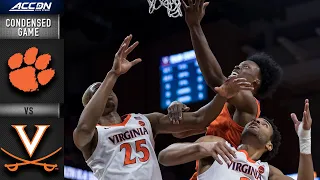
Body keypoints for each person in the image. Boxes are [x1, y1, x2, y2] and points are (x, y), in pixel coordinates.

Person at [73, 35, 254, 180]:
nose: (106, 92)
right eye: (98, 92)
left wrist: (222, 95)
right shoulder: (90, 136)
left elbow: (200, 119)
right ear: (90, 106)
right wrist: (113, 74)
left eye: (107, 90)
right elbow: (84, 127)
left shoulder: (145, 120)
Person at [167, 0, 283, 179]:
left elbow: (215, 78)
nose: (237, 65)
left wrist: (195, 26)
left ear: (254, 84)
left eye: (245, 67)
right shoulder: (222, 107)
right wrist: (176, 108)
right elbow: (180, 131)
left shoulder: (250, 106)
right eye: (239, 63)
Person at [159, 99, 314, 180]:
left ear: (269, 145)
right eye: (255, 121)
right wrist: (201, 149)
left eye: (264, 124)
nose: (256, 121)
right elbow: (164, 157)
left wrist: (305, 136)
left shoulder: (267, 172)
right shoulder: (217, 145)